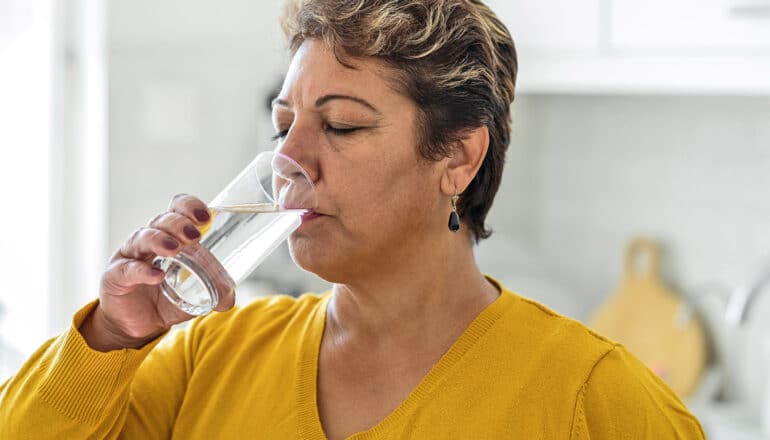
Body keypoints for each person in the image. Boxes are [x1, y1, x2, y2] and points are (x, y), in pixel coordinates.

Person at [0, 0, 705, 438]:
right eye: (283, 126)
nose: (290, 159)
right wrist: (112, 333)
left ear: (457, 158)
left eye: (340, 126)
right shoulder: (204, 360)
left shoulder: (597, 402)